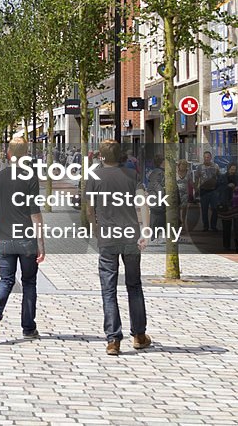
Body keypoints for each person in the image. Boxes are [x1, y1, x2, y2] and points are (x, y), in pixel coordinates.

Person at [86, 139, 152, 356]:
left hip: (107, 238)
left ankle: (113, 339)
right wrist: (146, 231)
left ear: (101, 157)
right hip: (131, 236)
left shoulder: (94, 176)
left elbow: (89, 208)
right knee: (134, 285)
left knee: (108, 288)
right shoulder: (131, 175)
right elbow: (143, 203)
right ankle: (139, 336)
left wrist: (95, 229)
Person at [0, 137, 44, 344]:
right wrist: (41, 244)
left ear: (9, 154)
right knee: (29, 282)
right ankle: (28, 328)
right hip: (26, 239)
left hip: (4, 238)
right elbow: (35, 214)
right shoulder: (31, 178)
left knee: (6, 279)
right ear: (26, 154)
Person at [219, 163, 238, 252]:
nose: (233, 171)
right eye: (232, 169)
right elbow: (218, 189)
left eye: (234, 170)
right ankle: (226, 245)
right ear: (228, 169)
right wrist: (227, 187)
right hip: (226, 204)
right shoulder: (222, 177)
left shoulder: (237, 178)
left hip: (236, 205)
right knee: (226, 227)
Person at [195, 151, 220, 232]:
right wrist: (196, 188)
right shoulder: (200, 167)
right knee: (204, 210)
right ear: (203, 157)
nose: (206, 159)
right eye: (205, 157)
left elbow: (219, 177)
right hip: (204, 191)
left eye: (208, 157)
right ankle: (205, 226)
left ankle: (213, 226)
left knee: (215, 209)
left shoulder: (216, 166)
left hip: (213, 191)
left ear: (211, 157)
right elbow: (196, 178)